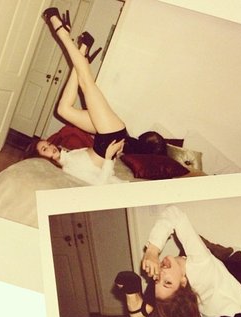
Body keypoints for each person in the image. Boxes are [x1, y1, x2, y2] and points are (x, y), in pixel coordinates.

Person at [25, 8, 166, 185]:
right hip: (111, 137)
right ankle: (62, 31)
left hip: (106, 136)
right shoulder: (69, 168)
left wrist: (113, 155)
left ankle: (83, 50)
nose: (50, 146)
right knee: (86, 83)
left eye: (46, 144)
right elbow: (100, 183)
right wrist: (109, 158)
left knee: (63, 110)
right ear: (42, 159)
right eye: (45, 149)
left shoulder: (67, 155)